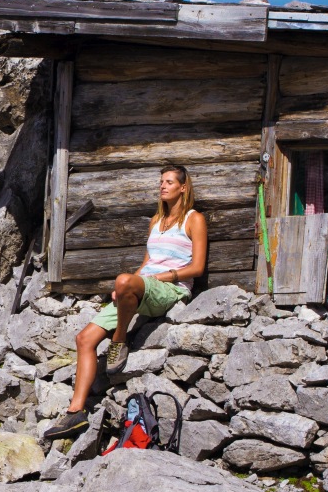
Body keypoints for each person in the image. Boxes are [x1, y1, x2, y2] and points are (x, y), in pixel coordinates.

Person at [42, 164, 209, 442]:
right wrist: (128, 285)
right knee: (84, 339)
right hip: (146, 285)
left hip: (172, 289)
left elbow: (198, 267)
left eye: (169, 182)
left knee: (124, 280)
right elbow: (147, 262)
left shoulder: (194, 219)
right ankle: (76, 412)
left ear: (183, 187)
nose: (163, 186)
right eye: (161, 182)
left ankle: (120, 340)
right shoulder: (156, 221)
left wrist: (157, 277)